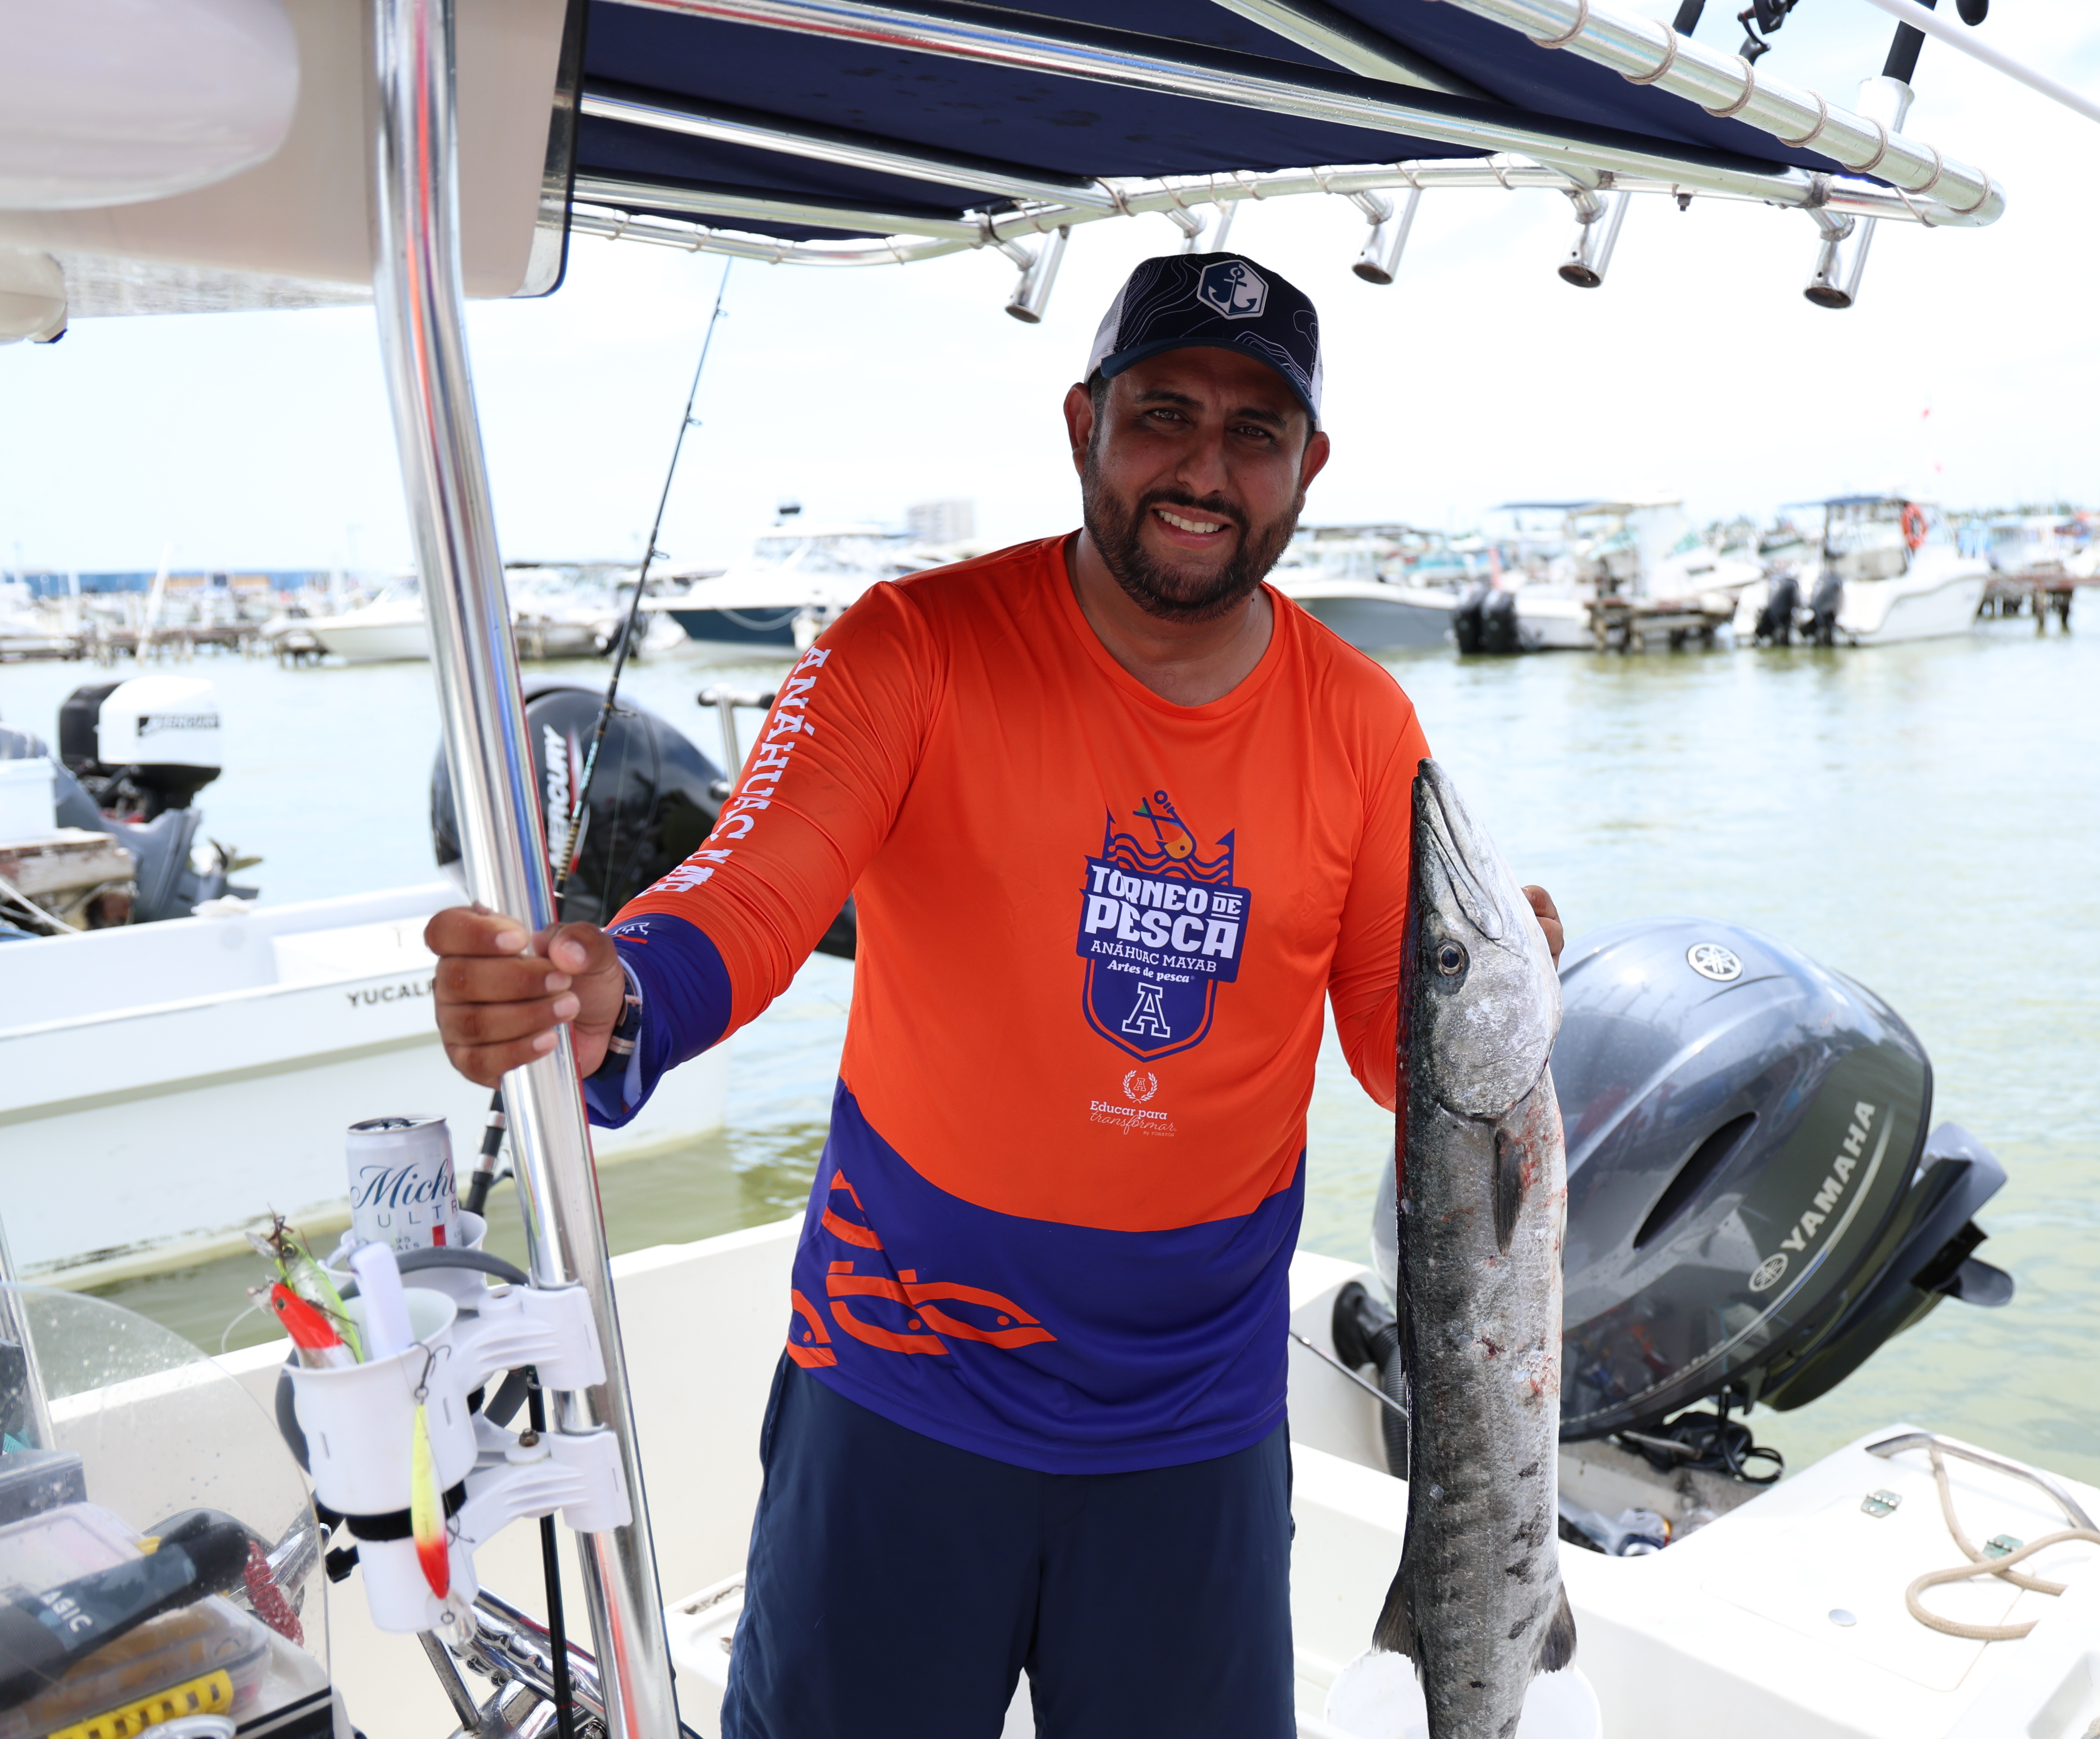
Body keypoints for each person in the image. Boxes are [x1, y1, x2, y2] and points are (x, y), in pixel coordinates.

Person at [424, 253, 1562, 1738]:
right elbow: (753, 889)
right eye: (1164, 415)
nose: (1205, 470)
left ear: (1309, 467)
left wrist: (1511, 1017)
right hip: (900, 1391)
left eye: (1255, 433)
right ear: (1085, 423)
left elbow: (1396, 1049)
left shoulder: (1362, 721)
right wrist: (618, 992)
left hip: (1195, 1430)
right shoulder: (914, 645)